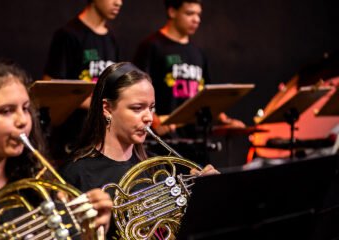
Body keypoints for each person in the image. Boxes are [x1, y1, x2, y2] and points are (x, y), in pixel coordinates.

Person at [0, 60, 112, 239]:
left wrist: (87, 232)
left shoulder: (40, 188)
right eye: (6, 111)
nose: (23, 120)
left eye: (26, 108)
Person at [59, 62, 220, 239]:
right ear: (107, 109)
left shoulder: (158, 170)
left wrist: (205, 197)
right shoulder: (76, 174)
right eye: (137, 108)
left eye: (151, 108)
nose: (149, 118)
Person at [133, 0, 245, 165]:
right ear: (172, 12)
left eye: (198, 14)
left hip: (196, 142)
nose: (196, 19)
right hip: (163, 143)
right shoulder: (152, 47)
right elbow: (136, 90)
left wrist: (225, 120)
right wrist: (154, 120)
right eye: (189, 13)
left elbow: (205, 95)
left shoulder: (198, 53)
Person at [43, 0, 123, 161]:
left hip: (100, 136)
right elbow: (51, 87)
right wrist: (98, 103)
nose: (118, 3)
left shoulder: (111, 39)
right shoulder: (68, 34)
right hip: (71, 137)